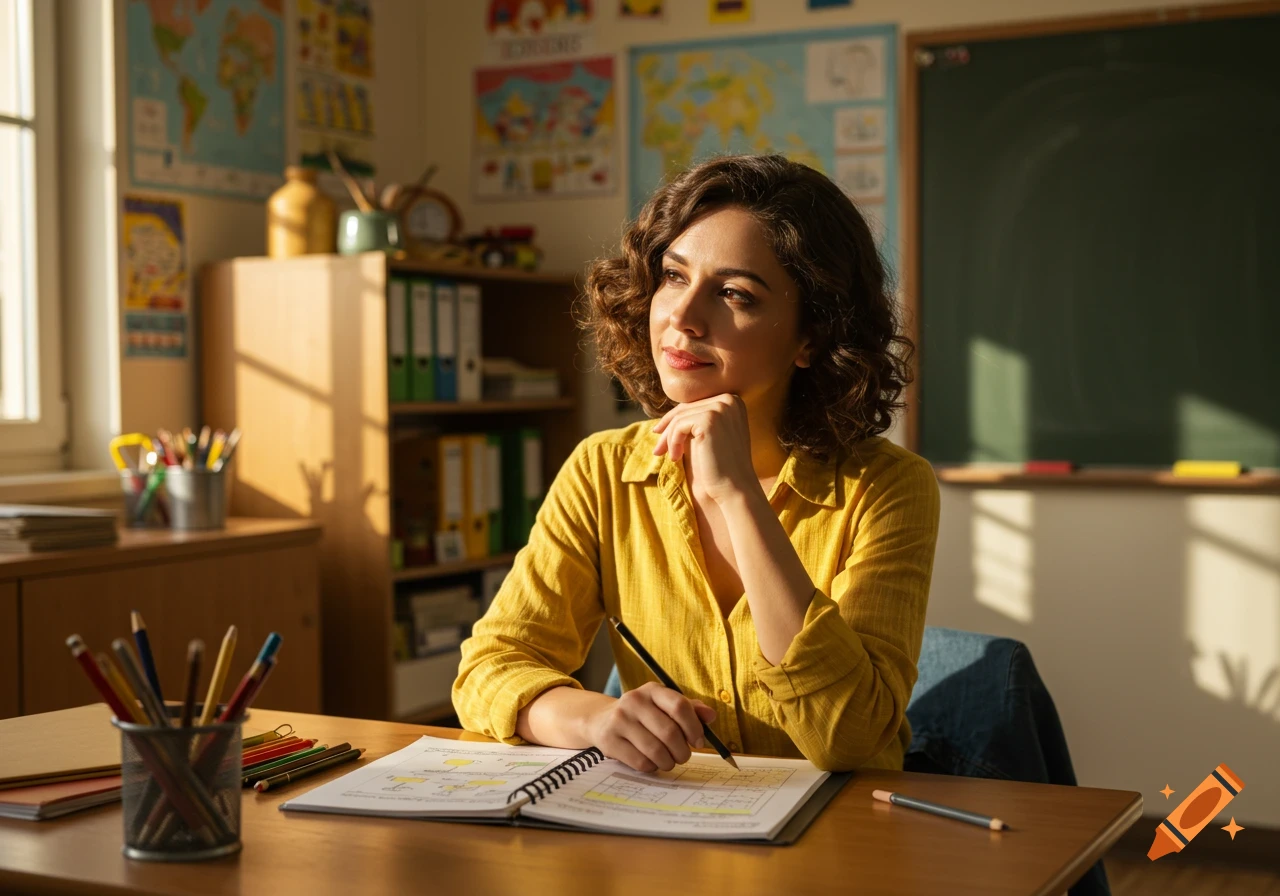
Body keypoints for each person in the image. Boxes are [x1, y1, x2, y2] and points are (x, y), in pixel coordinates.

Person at [453, 154, 940, 773]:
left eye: (734, 293)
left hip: (840, 838)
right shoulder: (602, 471)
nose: (681, 318)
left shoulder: (888, 488)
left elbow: (849, 737)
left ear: (812, 336)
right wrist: (595, 718)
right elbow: (489, 670)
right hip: (667, 831)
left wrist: (739, 497)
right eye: (674, 277)